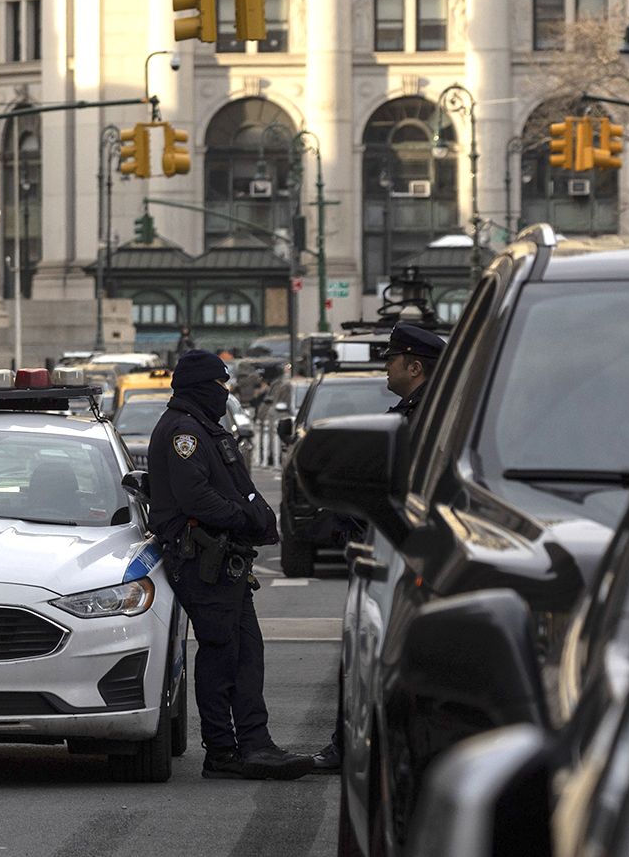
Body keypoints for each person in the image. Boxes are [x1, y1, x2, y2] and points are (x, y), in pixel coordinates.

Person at [148, 350, 313, 781]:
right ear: (201, 388)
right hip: (203, 560)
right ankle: (223, 751)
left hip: (224, 562)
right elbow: (196, 498)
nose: (225, 395)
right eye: (220, 387)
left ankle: (255, 744)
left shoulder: (202, 428)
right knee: (222, 654)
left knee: (245, 653)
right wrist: (246, 518)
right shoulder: (183, 432)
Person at [310, 323, 446, 774]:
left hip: (403, 554)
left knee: (371, 652)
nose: (385, 367)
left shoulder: (424, 417)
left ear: (414, 365)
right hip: (400, 547)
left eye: (392, 359)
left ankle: (355, 746)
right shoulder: (428, 411)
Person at [383, 323, 444, 420]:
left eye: (391, 360)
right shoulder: (426, 405)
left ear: (415, 369)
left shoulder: (423, 412)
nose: (386, 366)